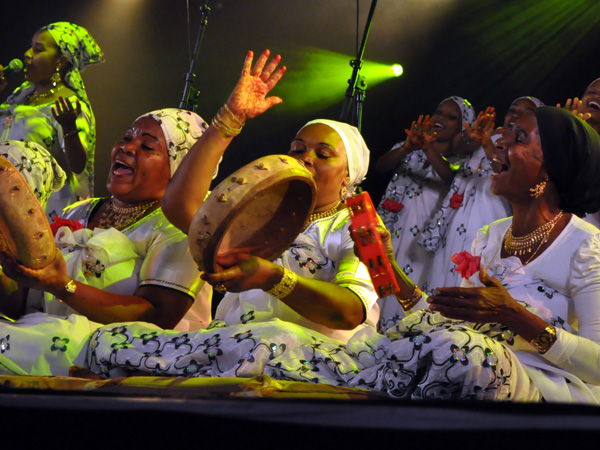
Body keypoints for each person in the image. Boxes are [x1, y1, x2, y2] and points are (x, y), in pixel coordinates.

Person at [268, 106, 600, 403]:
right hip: (462, 360)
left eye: (520, 137)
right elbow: (446, 318)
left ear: (549, 168)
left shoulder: (586, 247)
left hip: (539, 386)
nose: (500, 141)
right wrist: (389, 267)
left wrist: (514, 316)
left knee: (460, 351)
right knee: (369, 346)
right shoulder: (490, 236)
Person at [85, 50, 379, 379]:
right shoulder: (263, 212)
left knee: (260, 342)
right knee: (109, 342)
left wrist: (272, 278)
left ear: (348, 177)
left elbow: (350, 311)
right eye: (297, 149)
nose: (306, 157)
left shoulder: (354, 225)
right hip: (235, 345)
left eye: (323, 154)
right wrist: (229, 119)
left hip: (313, 356)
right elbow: (180, 207)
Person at [0, 108, 210, 376]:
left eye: (146, 145)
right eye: (126, 138)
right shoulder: (76, 212)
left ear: (180, 168)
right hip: (44, 333)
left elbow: (158, 315)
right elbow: (24, 303)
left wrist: (63, 286)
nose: (126, 147)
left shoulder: (178, 229)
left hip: (126, 353)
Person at [418, 97, 543, 303]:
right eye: (513, 110)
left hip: (490, 212)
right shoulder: (493, 134)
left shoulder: (523, 147)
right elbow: (459, 146)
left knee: (473, 271)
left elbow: (510, 176)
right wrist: (475, 135)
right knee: (445, 265)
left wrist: (486, 144)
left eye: (525, 112)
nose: (516, 116)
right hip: (460, 212)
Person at [0, 22, 103, 219]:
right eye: (30, 46)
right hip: (5, 204)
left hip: (43, 211)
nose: (28, 54)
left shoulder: (69, 104)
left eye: (38, 49)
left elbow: (79, 165)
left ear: (61, 61)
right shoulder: (17, 99)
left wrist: (69, 126)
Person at [375, 97, 476, 294]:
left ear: (463, 128)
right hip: (391, 229)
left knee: (407, 287)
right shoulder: (409, 148)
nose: (441, 118)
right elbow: (380, 167)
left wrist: (427, 148)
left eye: (451, 117)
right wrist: (407, 148)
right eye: (439, 112)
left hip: (421, 240)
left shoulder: (462, 162)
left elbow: (450, 179)